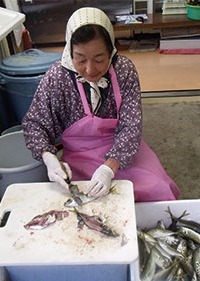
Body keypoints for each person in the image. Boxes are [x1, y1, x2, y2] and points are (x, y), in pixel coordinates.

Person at [22, 7, 180, 202]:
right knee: (84, 202)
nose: (90, 69)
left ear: (111, 50)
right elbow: (34, 124)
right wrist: (49, 158)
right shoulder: (57, 77)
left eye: (99, 59)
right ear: (69, 51)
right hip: (79, 156)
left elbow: (132, 126)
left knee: (157, 189)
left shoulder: (124, 70)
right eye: (80, 59)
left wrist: (108, 168)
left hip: (123, 149)